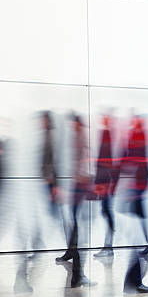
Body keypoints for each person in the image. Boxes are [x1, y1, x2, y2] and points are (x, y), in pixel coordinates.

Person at [55, 113, 95, 288]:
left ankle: (77, 273)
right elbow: (79, 165)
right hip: (76, 188)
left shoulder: (78, 139)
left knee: (77, 230)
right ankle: (77, 275)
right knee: (78, 231)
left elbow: (82, 165)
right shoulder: (77, 139)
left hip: (77, 189)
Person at [120, 114, 148, 293]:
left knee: (139, 240)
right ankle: (133, 282)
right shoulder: (135, 140)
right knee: (137, 240)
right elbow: (133, 166)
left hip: (136, 194)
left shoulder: (138, 139)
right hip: (134, 195)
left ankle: (132, 281)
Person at [93, 113, 118, 258]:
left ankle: (108, 247)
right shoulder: (106, 134)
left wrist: (104, 184)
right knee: (106, 212)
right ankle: (108, 246)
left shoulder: (108, 135)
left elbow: (106, 162)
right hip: (105, 182)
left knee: (107, 212)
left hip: (106, 183)